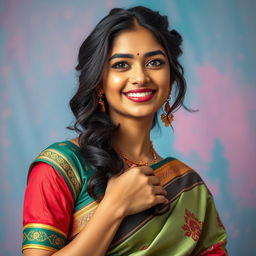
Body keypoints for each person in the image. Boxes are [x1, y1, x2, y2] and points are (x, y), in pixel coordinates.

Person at [22, 6, 228, 256]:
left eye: (154, 62)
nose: (140, 77)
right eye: (121, 65)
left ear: (171, 76)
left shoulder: (189, 186)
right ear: (99, 80)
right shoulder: (61, 168)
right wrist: (114, 207)